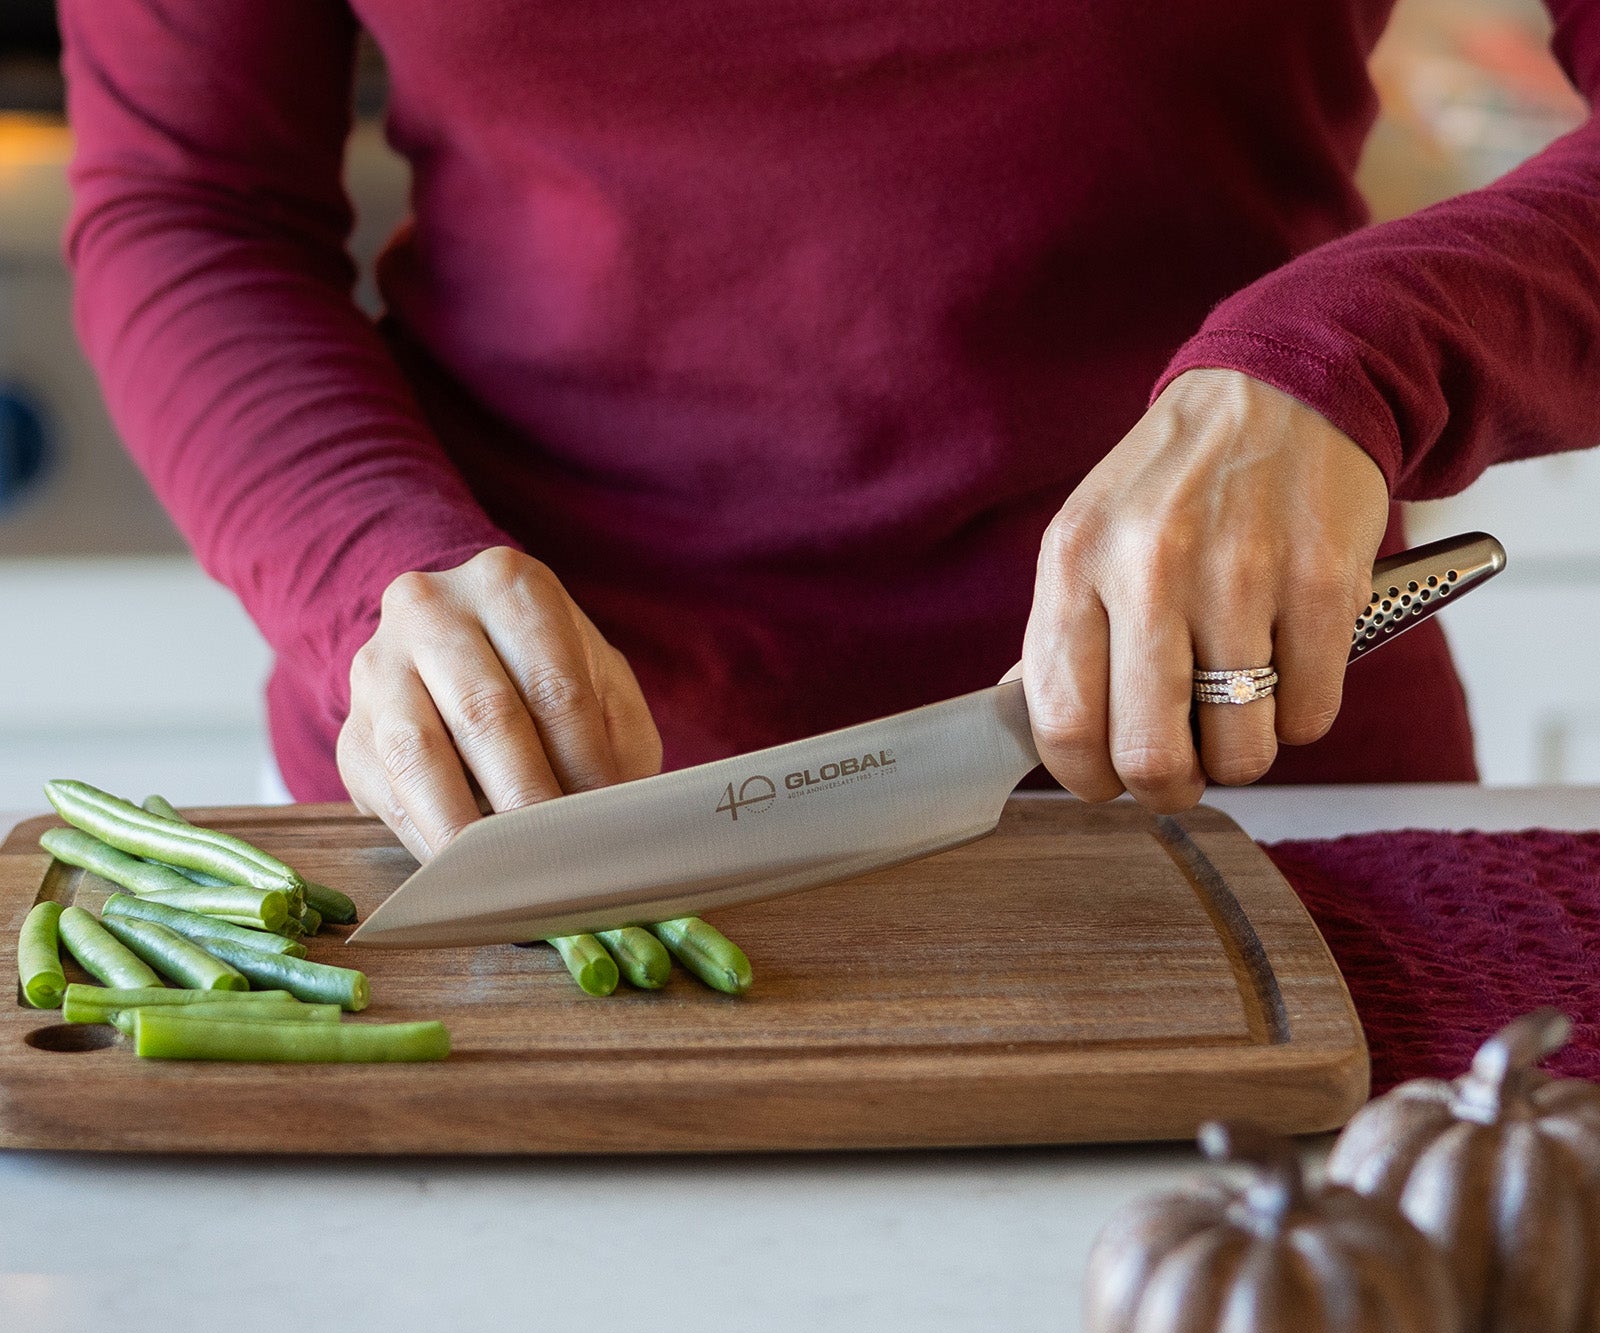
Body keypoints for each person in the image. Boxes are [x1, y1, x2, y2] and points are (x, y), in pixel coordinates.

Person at [58, 1, 1600, 860]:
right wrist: (361, 569)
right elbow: (189, 205)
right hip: (523, 833)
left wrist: (1361, 352)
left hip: (1239, 782)